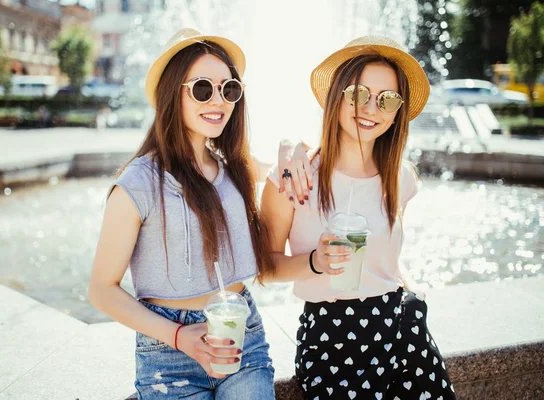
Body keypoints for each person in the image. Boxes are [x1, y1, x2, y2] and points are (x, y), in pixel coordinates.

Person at [261, 35, 456, 399]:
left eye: (387, 99)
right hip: (331, 340)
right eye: (358, 94)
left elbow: (387, 255)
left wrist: (408, 284)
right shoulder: (293, 178)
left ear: (398, 110)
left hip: (403, 331)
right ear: (338, 94)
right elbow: (265, 267)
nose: (371, 108)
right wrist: (315, 262)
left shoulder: (401, 178)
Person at [88, 28, 276, 399]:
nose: (219, 100)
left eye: (230, 89)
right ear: (173, 94)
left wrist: (294, 154)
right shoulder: (138, 183)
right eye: (203, 88)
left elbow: (283, 171)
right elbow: (101, 290)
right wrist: (178, 336)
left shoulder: (235, 168)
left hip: (242, 338)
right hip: (167, 353)